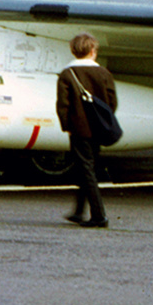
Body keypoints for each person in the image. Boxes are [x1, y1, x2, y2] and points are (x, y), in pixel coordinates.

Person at [55, 32, 116, 228]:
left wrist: (67, 127)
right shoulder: (104, 73)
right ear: (93, 51)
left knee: (86, 169)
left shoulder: (67, 74)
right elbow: (111, 103)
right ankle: (79, 211)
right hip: (98, 129)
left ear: (73, 51)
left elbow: (62, 105)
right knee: (87, 168)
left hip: (78, 129)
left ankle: (99, 215)